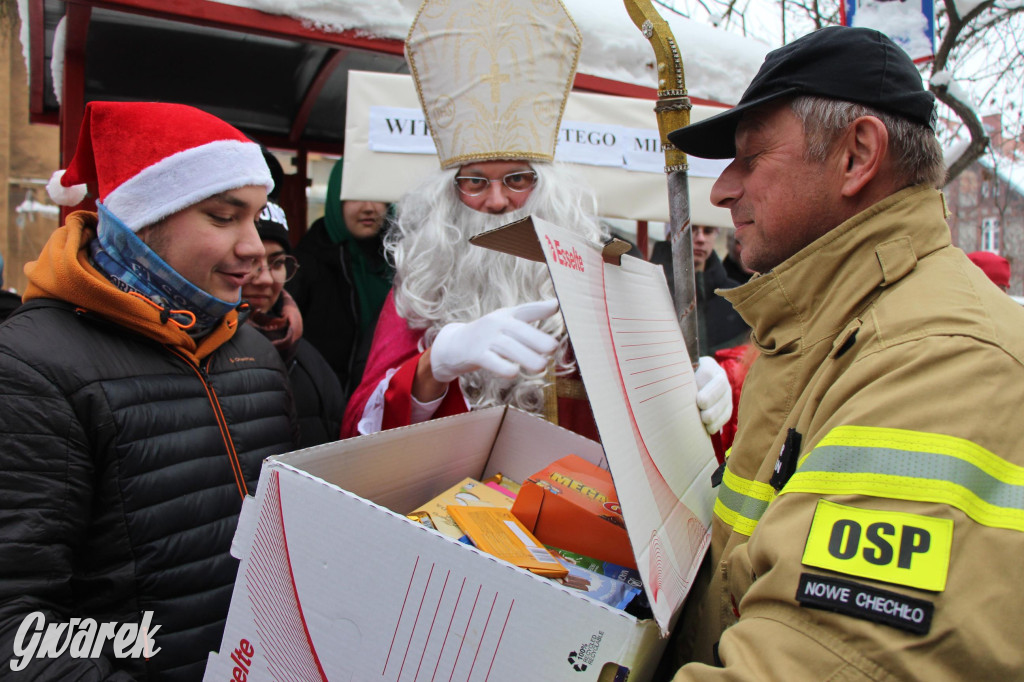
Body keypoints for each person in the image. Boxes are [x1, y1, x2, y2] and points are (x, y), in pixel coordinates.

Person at [655, 26, 1024, 679]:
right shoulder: (829, 324)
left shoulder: (938, 365)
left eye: (750, 157)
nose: (722, 190)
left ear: (857, 155)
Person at [341, 0, 732, 443]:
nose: (496, 200)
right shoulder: (422, 284)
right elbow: (361, 426)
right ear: (448, 194)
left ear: (545, 187)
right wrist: (435, 364)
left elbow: (647, 397)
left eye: (517, 179)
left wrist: (695, 385)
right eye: (474, 182)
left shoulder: (601, 277)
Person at [0, 101, 297, 678]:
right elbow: (15, 622)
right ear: (141, 218)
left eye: (257, 217)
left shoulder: (253, 351)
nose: (255, 247)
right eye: (222, 216)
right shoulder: (33, 366)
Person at [286, 158, 393, 401]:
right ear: (336, 200)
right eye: (355, 196)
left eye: (377, 196)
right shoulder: (305, 266)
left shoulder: (399, 263)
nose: (368, 207)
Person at [244, 200, 346, 448]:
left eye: (277, 263)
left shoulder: (308, 358)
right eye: (249, 262)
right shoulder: (202, 354)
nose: (266, 279)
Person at [651, 224, 750, 354]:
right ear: (670, 236)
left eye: (708, 231)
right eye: (690, 230)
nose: (701, 238)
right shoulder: (649, 288)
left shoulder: (736, 297)